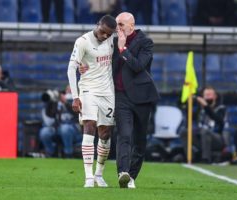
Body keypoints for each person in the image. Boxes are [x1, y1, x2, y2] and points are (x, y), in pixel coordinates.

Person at [67, 15, 117, 188]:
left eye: (108, 34)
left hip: (108, 93)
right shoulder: (83, 42)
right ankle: (88, 177)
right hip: (88, 90)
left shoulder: (112, 39)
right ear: (98, 25)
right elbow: (71, 68)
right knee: (89, 127)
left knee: (105, 134)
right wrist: (75, 96)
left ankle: (98, 174)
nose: (104, 36)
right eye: (102, 31)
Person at [114, 12, 159, 188]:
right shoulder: (112, 41)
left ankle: (131, 176)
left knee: (139, 140)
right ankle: (122, 173)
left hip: (141, 97)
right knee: (124, 134)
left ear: (131, 25)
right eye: (116, 25)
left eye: (121, 25)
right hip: (120, 96)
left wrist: (123, 49)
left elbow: (138, 66)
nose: (118, 28)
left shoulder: (146, 42)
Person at [39, 86, 82, 158]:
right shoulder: (57, 102)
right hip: (58, 128)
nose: (69, 91)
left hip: (74, 129)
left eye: (71, 89)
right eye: (68, 89)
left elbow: (77, 113)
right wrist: (51, 103)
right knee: (44, 132)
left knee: (65, 129)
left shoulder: (78, 100)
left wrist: (66, 103)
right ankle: (51, 153)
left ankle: (68, 153)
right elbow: (50, 115)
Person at [196, 86, 226, 163]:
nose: (207, 97)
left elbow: (218, 119)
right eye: (205, 95)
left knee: (205, 131)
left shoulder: (221, 108)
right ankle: (191, 157)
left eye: (209, 95)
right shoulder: (201, 110)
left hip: (217, 138)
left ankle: (206, 159)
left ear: (215, 96)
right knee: (185, 132)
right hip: (202, 136)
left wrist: (206, 106)